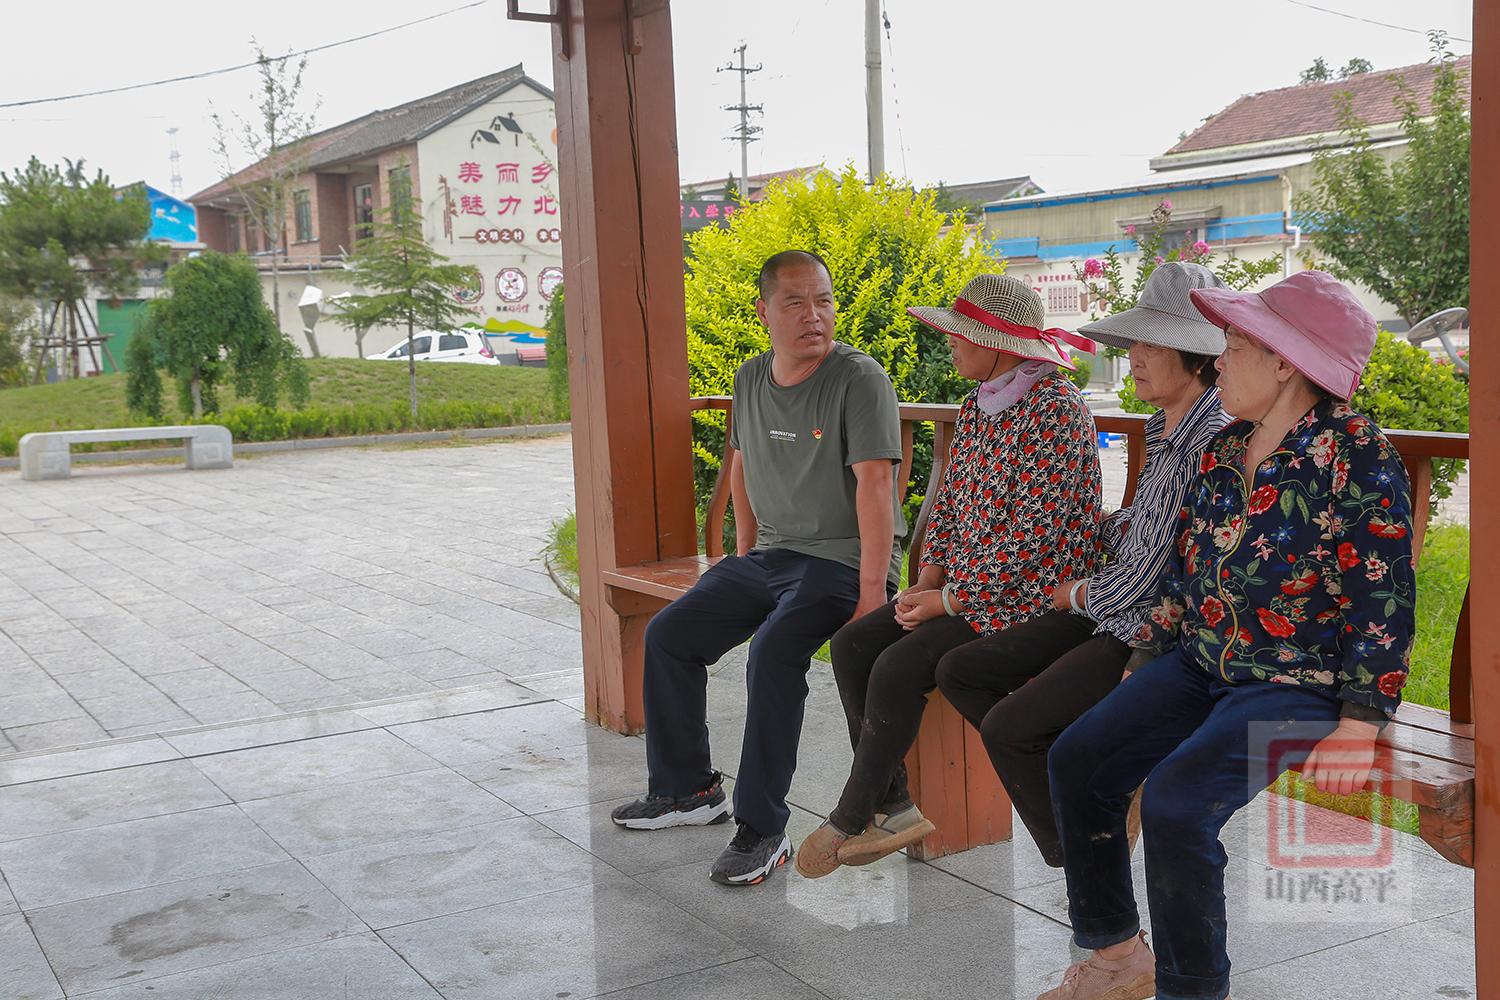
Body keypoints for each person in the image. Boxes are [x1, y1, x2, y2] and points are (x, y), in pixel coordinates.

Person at [1039, 270, 1416, 1000]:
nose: (1218, 361)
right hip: (1202, 661)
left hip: (1296, 681)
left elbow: (1384, 597)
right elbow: (1191, 572)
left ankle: (1191, 989)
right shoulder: (1223, 449)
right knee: (1079, 757)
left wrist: (1361, 720)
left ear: (1286, 362)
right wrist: (1147, 653)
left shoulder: (1355, 453)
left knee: (1179, 803)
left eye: (1235, 345)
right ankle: (1117, 953)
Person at [610, 249, 906, 888]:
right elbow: (740, 466)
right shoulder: (750, 379)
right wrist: (740, 557)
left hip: (841, 560)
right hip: (771, 556)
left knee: (771, 654)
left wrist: (869, 596)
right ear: (764, 311)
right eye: (795, 302)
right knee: (669, 636)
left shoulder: (859, 378)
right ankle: (688, 790)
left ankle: (762, 826)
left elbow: (877, 484)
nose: (813, 315)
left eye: (823, 300)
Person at [795, 274, 1104, 878]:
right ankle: (895, 806)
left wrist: (951, 600)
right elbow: (952, 506)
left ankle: (852, 814)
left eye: (963, 334)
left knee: (898, 665)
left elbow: (1034, 541)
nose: (950, 345)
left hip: (1034, 597)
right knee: (853, 643)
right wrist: (928, 577)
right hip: (967, 588)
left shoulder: (1057, 411)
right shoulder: (979, 403)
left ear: (1001, 343)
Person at [933, 262, 1230, 868]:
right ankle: (1090, 840)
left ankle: (1091, 862)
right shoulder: (1165, 426)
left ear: (1195, 356)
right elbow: (1146, 531)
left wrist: (1076, 594)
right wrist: (1092, 538)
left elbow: (1162, 574)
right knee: (962, 671)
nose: (1135, 357)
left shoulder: (1212, 439)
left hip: (1156, 632)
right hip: (1112, 605)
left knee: (1014, 727)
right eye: (1135, 342)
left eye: (1150, 344)